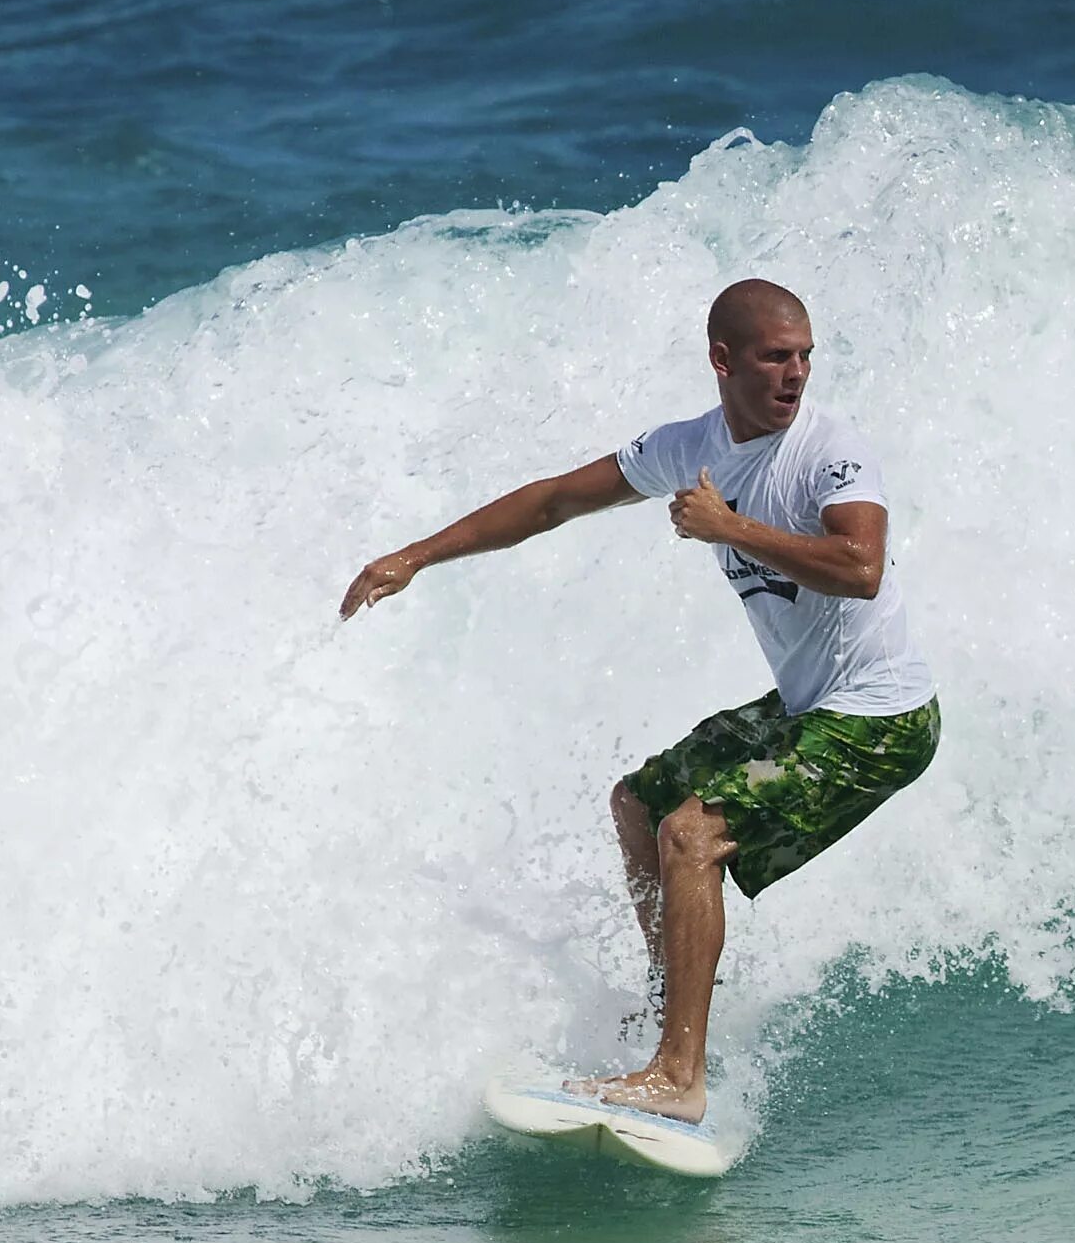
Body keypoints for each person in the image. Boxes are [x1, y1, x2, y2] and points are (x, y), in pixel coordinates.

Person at [339, 278, 939, 1123]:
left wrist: (730, 528)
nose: (796, 373)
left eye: (805, 355)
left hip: (880, 722)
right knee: (643, 803)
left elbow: (860, 567)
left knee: (691, 837)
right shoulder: (690, 447)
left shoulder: (832, 449)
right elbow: (554, 502)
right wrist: (417, 554)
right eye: (776, 356)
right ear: (723, 361)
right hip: (812, 709)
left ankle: (677, 1074)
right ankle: (673, 1015)